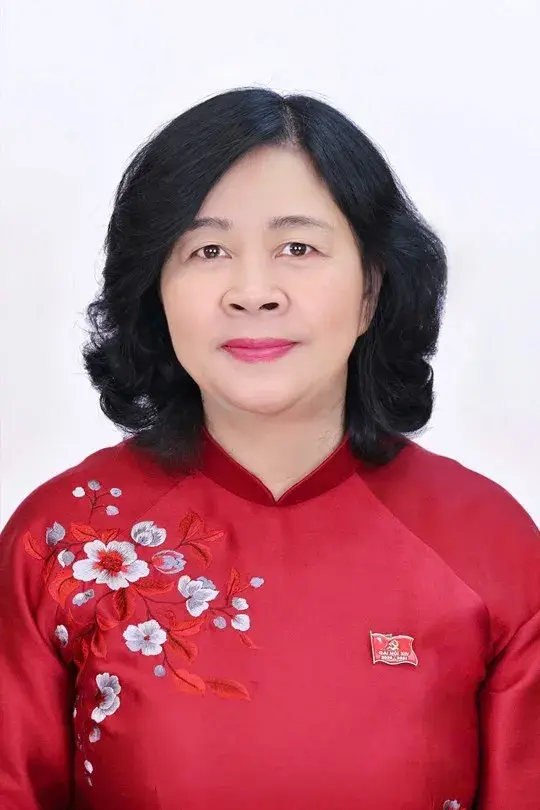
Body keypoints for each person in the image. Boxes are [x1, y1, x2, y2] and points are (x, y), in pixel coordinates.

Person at [0, 86, 538, 810]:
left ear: (372, 288)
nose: (253, 292)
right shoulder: (62, 540)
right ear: (156, 291)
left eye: (298, 247)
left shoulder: (489, 543)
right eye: (208, 250)